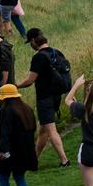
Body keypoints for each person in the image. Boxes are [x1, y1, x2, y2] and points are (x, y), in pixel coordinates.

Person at [14, 28, 69, 166]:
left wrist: (15, 86)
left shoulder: (39, 57)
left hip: (45, 97)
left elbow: (30, 80)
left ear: (33, 40)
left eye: (30, 42)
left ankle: (64, 160)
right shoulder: (56, 52)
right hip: (56, 95)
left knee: (50, 129)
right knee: (43, 129)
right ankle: (33, 160)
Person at [0, 84, 36, 186]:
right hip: (25, 151)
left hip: (10, 151)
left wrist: (3, 151)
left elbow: (4, 134)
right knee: (19, 177)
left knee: (3, 177)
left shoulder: (7, 112)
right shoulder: (27, 110)